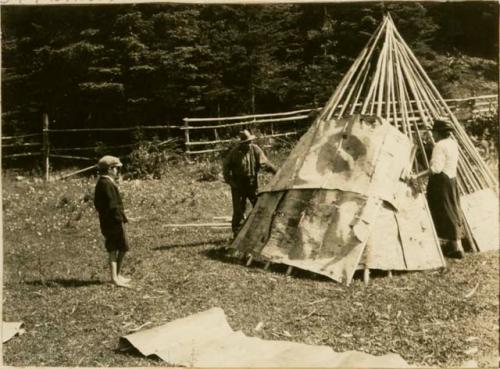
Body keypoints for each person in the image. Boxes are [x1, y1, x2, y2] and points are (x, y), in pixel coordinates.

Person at [408, 118, 465, 259]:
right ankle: (457, 246)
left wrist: (417, 176)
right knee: (452, 208)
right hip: (452, 178)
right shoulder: (453, 143)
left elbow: (435, 168)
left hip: (441, 181)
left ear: (439, 133)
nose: (432, 135)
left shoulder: (439, 145)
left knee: (444, 210)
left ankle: (456, 247)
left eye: (434, 132)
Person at [223, 130, 278, 237]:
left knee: (258, 206)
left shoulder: (255, 149)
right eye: (246, 142)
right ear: (242, 143)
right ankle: (237, 234)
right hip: (238, 184)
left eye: (250, 141)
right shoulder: (234, 152)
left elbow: (265, 163)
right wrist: (230, 181)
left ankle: (259, 231)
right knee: (239, 210)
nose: (249, 144)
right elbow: (225, 167)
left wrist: (277, 172)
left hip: (252, 183)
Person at [94, 155, 132, 287]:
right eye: (116, 168)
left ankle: (118, 274)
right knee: (113, 249)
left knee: (123, 247)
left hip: (112, 220)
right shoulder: (105, 184)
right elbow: (111, 205)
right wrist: (118, 218)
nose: (117, 171)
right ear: (110, 169)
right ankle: (114, 278)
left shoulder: (104, 182)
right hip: (112, 222)